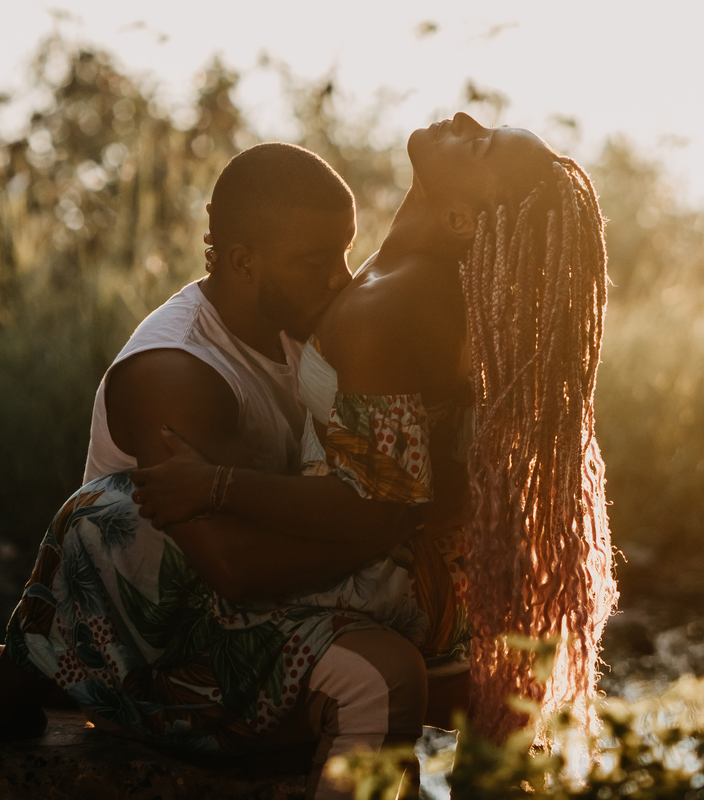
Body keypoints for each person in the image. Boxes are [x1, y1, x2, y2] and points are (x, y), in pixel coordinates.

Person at [0, 142, 431, 799]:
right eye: (317, 261)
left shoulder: (301, 319)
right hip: (189, 636)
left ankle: (53, 670)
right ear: (241, 260)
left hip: (286, 594)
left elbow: (405, 263)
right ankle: (80, 677)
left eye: (346, 250)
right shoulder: (177, 373)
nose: (342, 278)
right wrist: (389, 521)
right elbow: (235, 569)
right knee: (385, 676)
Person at [134, 111, 618, 741]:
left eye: (479, 146)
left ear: (458, 220)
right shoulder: (421, 292)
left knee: (108, 529)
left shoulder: (381, 312)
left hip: (385, 576)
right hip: (434, 567)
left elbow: (379, 508)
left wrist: (218, 485)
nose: (466, 118)